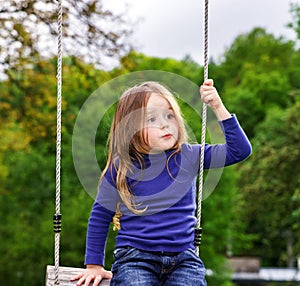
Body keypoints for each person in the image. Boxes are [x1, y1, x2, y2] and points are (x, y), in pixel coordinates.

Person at [71, 79, 252, 286]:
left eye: (169, 115)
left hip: (184, 259)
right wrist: (94, 265)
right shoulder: (122, 167)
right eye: (151, 119)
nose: (165, 124)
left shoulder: (189, 156)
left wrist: (218, 107)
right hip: (135, 258)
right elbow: (100, 215)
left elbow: (240, 151)